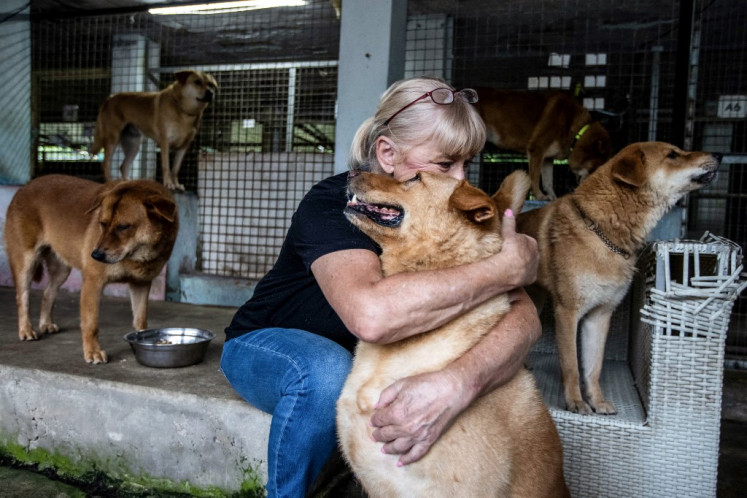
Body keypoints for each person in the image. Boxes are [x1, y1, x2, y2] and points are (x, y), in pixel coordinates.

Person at [220, 76, 541, 497]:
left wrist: (458, 383)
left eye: (468, 163)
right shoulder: (337, 204)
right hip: (269, 344)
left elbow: (526, 321)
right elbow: (371, 318)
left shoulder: (444, 215)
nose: (461, 180)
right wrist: (505, 269)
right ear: (388, 153)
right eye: (445, 165)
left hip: (363, 357)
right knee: (327, 371)